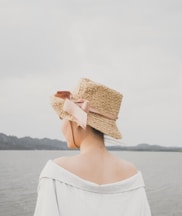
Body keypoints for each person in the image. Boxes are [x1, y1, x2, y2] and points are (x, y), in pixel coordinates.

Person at [33, 78, 152, 216]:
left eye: (63, 117)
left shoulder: (55, 173)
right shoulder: (132, 175)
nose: (62, 125)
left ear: (78, 122)